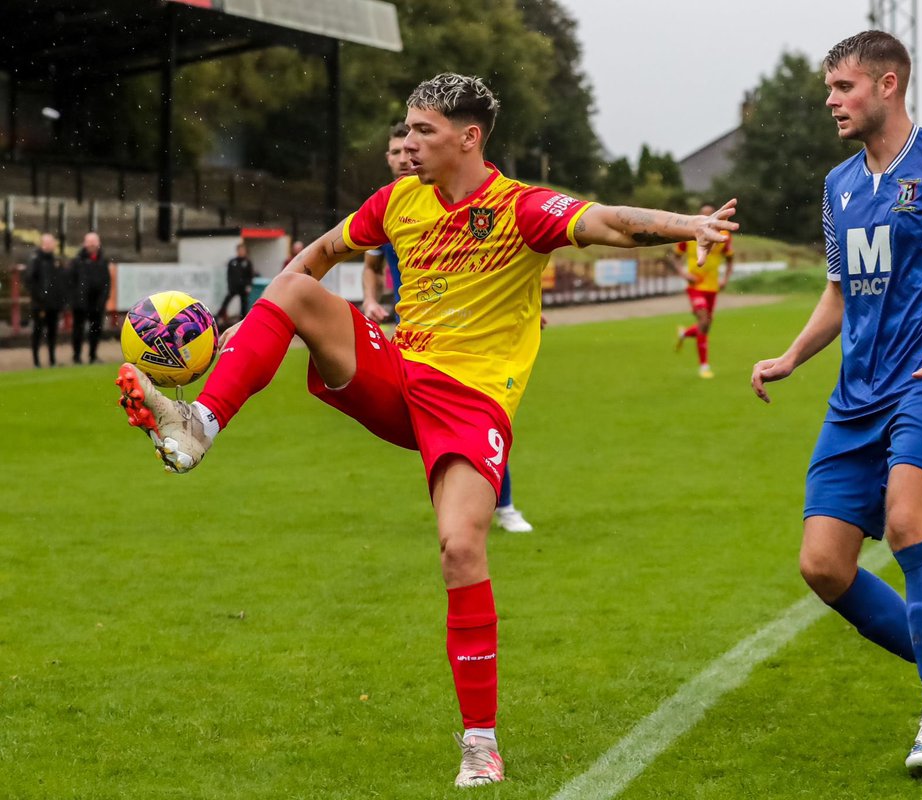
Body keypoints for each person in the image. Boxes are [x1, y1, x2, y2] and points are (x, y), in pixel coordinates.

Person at [115, 73, 736, 788]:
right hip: (401, 374)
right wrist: (249, 330)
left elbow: (605, 223)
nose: (406, 143)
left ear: (469, 138)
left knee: (460, 546)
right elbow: (315, 257)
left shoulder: (521, 208)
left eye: (422, 131)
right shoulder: (398, 201)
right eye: (405, 129)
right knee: (292, 288)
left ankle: (480, 743)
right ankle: (198, 423)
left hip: (472, 402)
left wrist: (687, 225)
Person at [750, 31, 922, 776]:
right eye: (831, 89)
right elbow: (839, 291)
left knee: (906, 521)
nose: (831, 101)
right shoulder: (839, 187)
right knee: (823, 567)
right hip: (853, 399)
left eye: (844, 87)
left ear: (888, 84)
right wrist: (793, 355)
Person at [361, 121, 536, 535]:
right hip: (414, 328)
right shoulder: (388, 206)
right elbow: (368, 267)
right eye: (394, 152)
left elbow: (501, 262)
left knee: (476, 416)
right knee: (438, 425)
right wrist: (369, 300)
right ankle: (460, 513)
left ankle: (502, 505)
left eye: (408, 149)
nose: (403, 156)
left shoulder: (455, 197)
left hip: (463, 329)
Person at [673, 203, 735, 378]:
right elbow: (676, 258)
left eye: (712, 215)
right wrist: (684, 274)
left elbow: (730, 260)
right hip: (696, 285)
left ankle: (684, 333)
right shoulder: (690, 234)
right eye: (705, 215)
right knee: (703, 319)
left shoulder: (724, 236)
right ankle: (704, 366)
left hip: (712, 286)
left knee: (705, 325)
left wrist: (725, 279)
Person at [24, 232, 70, 368]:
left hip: (53, 305)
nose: (52, 245)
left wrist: (61, 300)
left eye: (52, 243)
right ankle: (36, 361)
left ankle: (52, 360)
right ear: (43, 244)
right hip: (39, 305)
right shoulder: (36, 260)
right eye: (49, 243)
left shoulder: (55, 261)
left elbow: (60, 282)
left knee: (52, 333)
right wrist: (39, 298)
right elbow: (29, 281)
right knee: (37, 332)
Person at [70, 231, 114, 364]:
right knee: (78, 329)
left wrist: (103, 298)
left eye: (94, 242)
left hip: (97, 303)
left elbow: (107, 282)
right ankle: (76, 356)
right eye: (89, 242)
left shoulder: (103, 261)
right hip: (80, 303)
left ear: (98, 244)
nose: (92, 245)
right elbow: (71, 281)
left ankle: (93, 356)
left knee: (95, 330)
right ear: (84, 244)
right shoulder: (77, 261)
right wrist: (76, 299)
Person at [217, 242, 256, 324]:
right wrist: (230, 285)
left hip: (243, 287)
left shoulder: (247, 262)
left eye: (243, 250)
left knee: (244, 305)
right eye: (239, 250)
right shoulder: (232, 261)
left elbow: (250, 275)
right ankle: (219, 317)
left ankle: (243, 321)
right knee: (226, 302)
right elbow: (229, 275)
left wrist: (248, 285)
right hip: (233, 287)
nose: (241, 252)